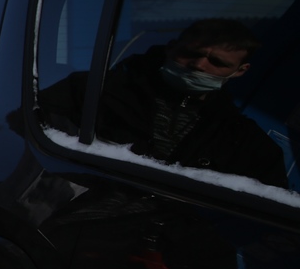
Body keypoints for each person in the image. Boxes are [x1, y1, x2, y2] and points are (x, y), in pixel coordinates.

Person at [39, 18, 287, 187]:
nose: (199, 65)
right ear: (171, 48)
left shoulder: (244, 142)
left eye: (217, 62)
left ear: (240, 71)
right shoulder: (93, 90)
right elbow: (28, 133)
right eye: (190, 53)